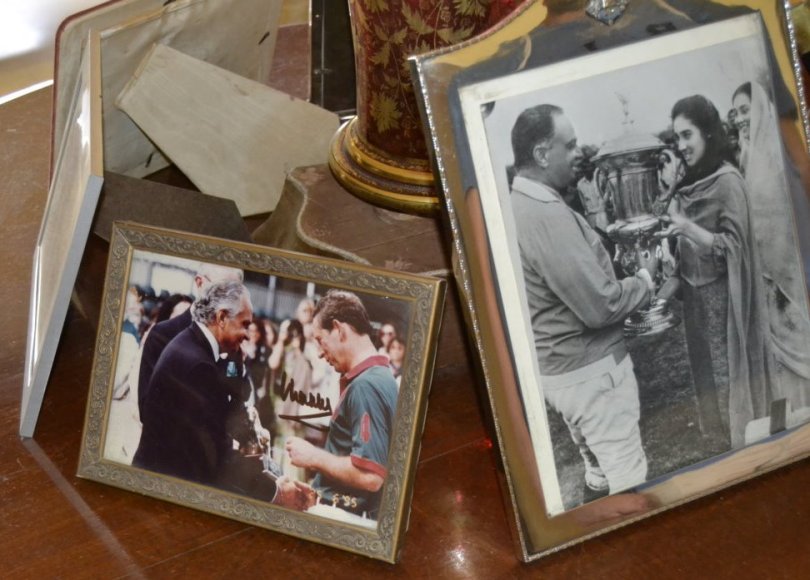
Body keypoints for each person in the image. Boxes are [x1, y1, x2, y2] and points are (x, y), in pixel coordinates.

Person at [510, 104, 656, 501]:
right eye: (570, 145)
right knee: (628, 484)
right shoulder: (543, 212)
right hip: (591, 377)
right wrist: (644, 281)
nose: (578, 153)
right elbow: (599, 307)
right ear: (542, 154)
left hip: (565, 373)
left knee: (599, 476)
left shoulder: (519, 205)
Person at [133, 281, 314, 509]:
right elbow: (218, 458)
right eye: (244, 325)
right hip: (159, 495)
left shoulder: (197, 347)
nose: (247, 335)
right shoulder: (199, 364)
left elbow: (231, 406)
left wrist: (236, 364)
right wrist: (277, 491)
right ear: (221, 318)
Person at [657, 95, 771, 449]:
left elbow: (736, 248)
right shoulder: (688, 184)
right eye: (676, 137)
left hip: (725, 300)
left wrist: (688, 228)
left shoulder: (728, 181)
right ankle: (721, 440)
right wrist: (658, 296)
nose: (681, 145)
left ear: (707, 132)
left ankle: (744, 443)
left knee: (727, 375)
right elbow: (682, 253)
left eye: (687, 135)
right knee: (706, 374)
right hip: (696, 302)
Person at [285, 290, 398, 519]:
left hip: (346, 518)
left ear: (338, 329)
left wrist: (313, 456)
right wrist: (319, 494)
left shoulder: (366, 385)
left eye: (320, 340)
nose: (319, 353)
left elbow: (371, 477)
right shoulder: (378, 377)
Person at [732, 81, 810, 410]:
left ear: (762, 109)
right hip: (766, 281)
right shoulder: (747, 159)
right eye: (735, 113)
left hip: (788, 276)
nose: (739, 119)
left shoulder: (779, 157)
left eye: (745, 110)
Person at [137, 262, 243, 421]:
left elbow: (234, 400)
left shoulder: (232, 344)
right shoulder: (163, 335)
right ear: (200, 283)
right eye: (222, 290)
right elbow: (147, 409)